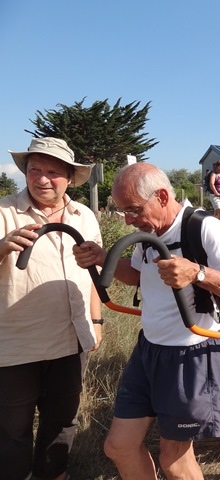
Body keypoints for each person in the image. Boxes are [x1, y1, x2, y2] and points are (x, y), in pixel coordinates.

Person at [73, 162, 220, 479]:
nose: (129, 220)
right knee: (118, 446)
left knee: (175, 461)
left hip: (192, 352)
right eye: (122, 212)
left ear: (160, 196)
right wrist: (103, 258)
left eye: (133, 209)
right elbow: (139, 276)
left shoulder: (203, 227)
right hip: (149, 350)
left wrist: (196, 273)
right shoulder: (148, 231)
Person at [0, 137, 103, 480]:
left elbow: (92, 276)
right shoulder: (3, 213)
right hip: (16, 344)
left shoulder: (84, 216)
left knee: (62, 420)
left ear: (70, 178)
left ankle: (51, 475)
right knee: (12, 427)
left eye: (53, 172)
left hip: (70, 340)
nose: (42, 179)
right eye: (34, 170)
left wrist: (97, 320)